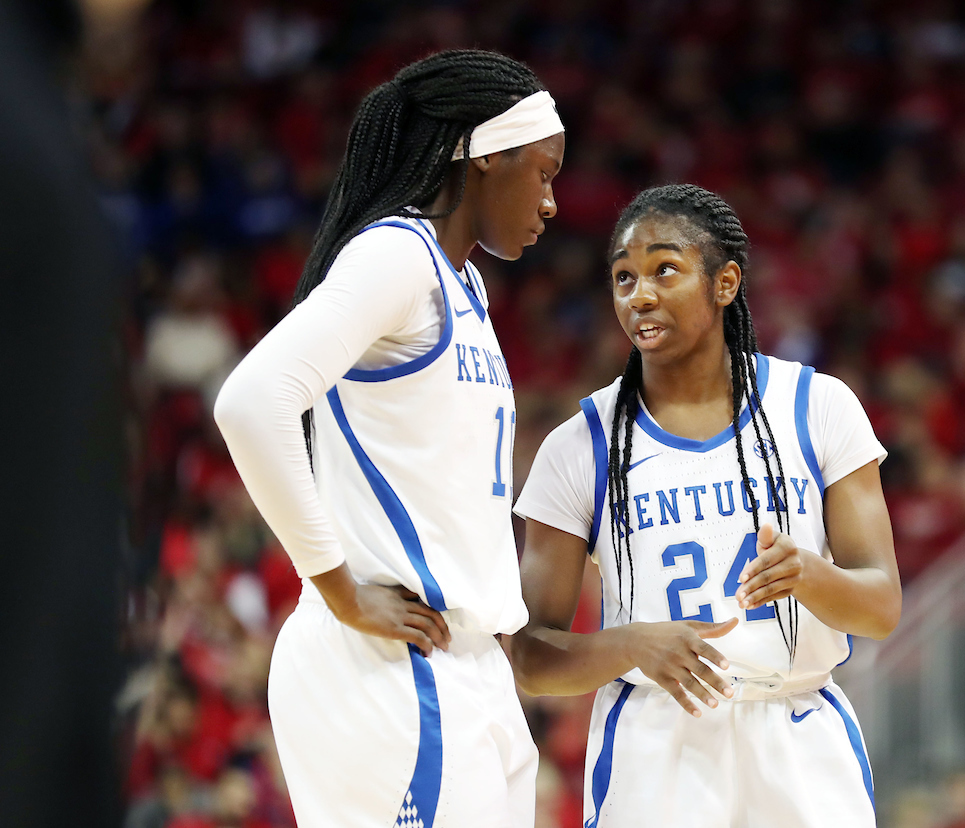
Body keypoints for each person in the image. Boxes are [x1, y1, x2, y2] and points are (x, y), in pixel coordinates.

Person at [213, 50, 564, 828]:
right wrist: (337, 588)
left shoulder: (464, 283)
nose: (551, 203)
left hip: (464, 665)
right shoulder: (396, 254)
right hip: (391, 666)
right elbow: (251, 401)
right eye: (542, 173)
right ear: (485, 157)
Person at [511, 184, 900, 827]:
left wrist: (809, 574)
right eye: (623, 277)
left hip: (798, 730)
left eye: (665, 269)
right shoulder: (578, 444)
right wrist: (630, 645)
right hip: (657, 741)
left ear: (725, 283)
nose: (640, 294)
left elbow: (882, 607)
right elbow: (530, 656)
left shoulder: (817, 406)